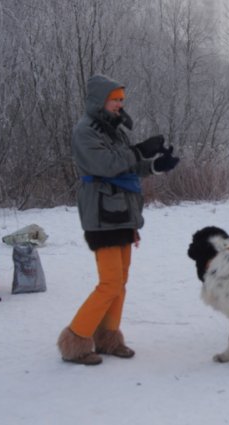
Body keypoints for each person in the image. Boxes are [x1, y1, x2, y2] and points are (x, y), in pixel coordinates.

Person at [57, 74, 180, 365]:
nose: (120, 105)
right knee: (110, 283)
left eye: (122, 100)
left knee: (120, 282)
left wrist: (156, 165)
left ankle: (108, 338)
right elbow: (107, 165)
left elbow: (130, 167)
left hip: (123, 212)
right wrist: (139, 150)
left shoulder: (115, 130)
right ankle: (75, 340)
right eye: (116, 99)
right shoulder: (85, 131)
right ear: (101, 100)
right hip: (101, 213)